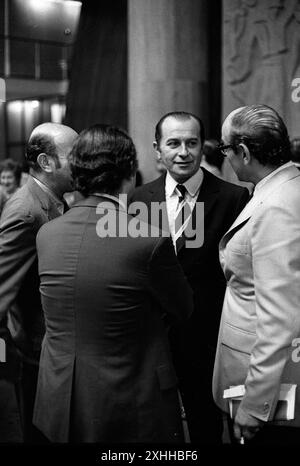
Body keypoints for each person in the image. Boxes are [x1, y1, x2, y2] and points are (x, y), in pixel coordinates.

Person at [33, 124, 193, 443]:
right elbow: (184, 309)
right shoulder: (148, 239)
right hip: (129, 401)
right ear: (130, 174)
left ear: (77, 175)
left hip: (60, 397)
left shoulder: (46, 234)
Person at [129, 111, 249, 444]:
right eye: (173, 143)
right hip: (154, 336)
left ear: (202, 146)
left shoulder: (232, 198)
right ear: (157, 150)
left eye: (191, 143)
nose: (183, 152)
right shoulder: (139, 200)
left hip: (207, 336)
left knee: (205, 426)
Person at [213, 104, 300, 446]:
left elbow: (280, 316)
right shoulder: (282, 187)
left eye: (225, 149)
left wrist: (255, 404)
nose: (226, 157)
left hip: (266, 388)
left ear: (244, 152)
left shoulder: (277, 204)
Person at [0, 122, 78, 443]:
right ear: (46, 162)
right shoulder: (26, 210)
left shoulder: (55, 198)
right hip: (30, 353)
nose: (83, 162)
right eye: (74, 155)